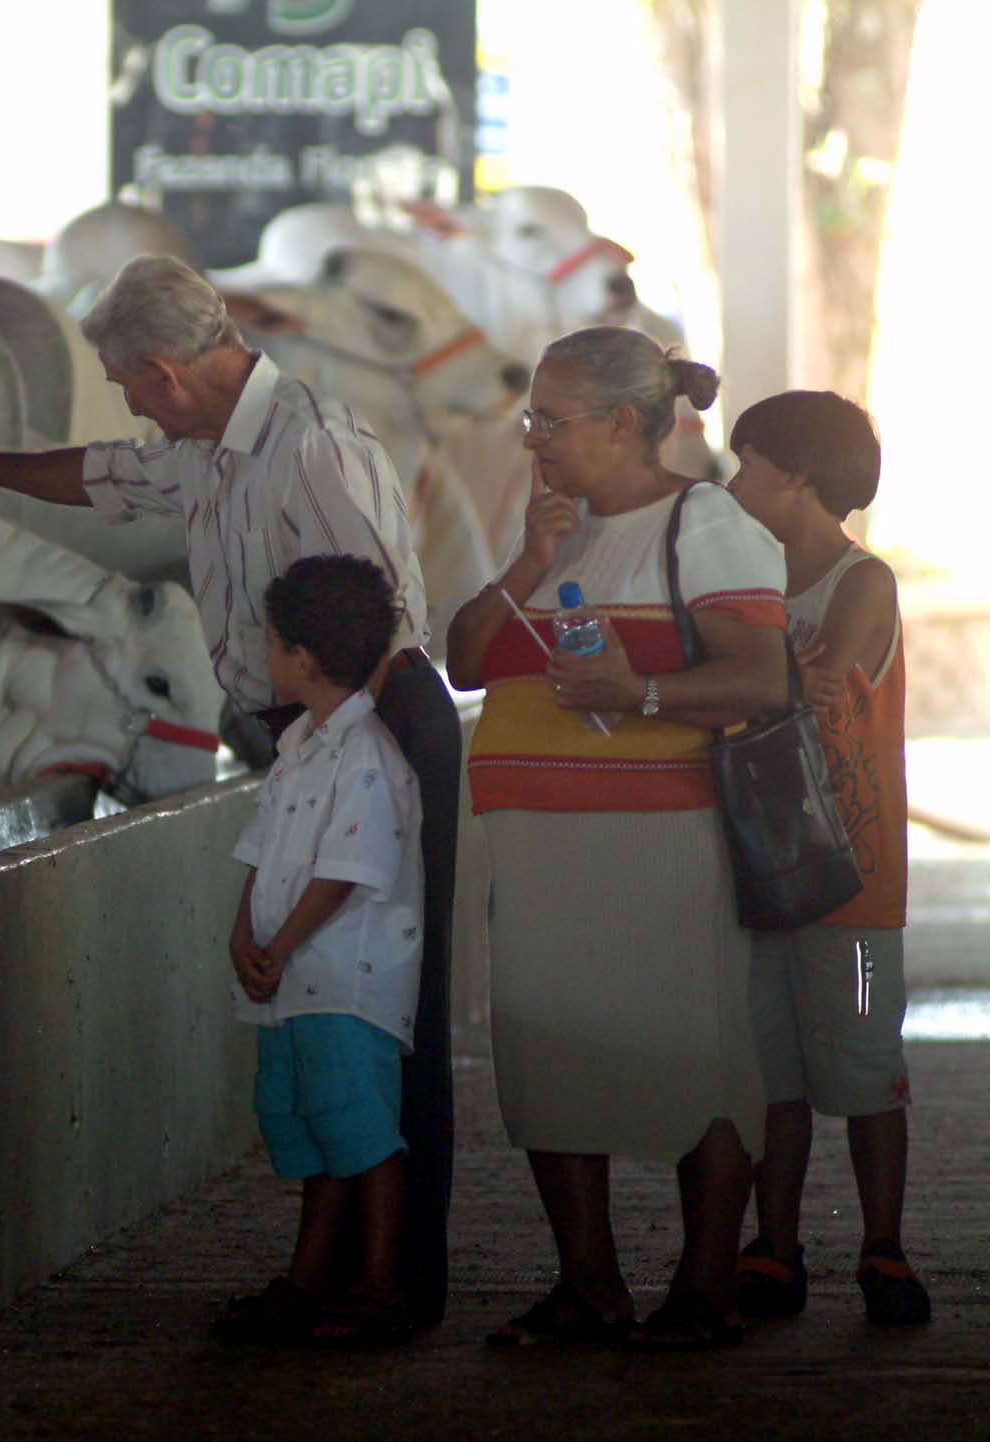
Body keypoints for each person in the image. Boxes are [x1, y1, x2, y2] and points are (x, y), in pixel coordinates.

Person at [0, 253, 462, 1328]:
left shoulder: (313, 445)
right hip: (307, 731)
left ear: (162, 369)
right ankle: (324, 1276)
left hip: (368, 726)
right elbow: (96, 474)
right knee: (312, 1024)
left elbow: (377, 622)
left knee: (375, 1021)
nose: (126, 405)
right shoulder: (205, 450)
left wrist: (341, 758)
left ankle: (392, 1284)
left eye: (126, 384)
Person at [445, 326, 788, 1350]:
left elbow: (762, 678)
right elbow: (464, 661)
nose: (531, 440)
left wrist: (635, 692)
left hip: (661, 841)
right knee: (548, 1049)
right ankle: (586, 1283)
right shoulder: (556, 529)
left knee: (693, 1053)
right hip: (540, 849)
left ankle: (704, 1283)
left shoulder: (703, 523)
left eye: (548, 421)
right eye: (528, 420)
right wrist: (527, 559)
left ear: (625, 424)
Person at [722, 391, 927, 1326]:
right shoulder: (749, 575)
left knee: (861, 1067)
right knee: (776, 1074)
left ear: (797, 476)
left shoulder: (860, 580)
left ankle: (880, 1245)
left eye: (749, 464)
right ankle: (777, 1246)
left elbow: (819, 680)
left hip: (849, 876)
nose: (734, 483)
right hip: (765, 864)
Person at [217, 554, 424, 1347]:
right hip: (293, 977)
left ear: (301, 657)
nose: (265, 658)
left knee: (360, 1129)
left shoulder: (366, 753)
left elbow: (348, 870)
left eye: (271, 643)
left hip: (346, 978)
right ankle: (307, 1280)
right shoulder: (300, 744)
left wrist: (278, 941)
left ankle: (376, 1287)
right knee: (310, 1121)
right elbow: (262, 851)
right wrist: (248, 937)